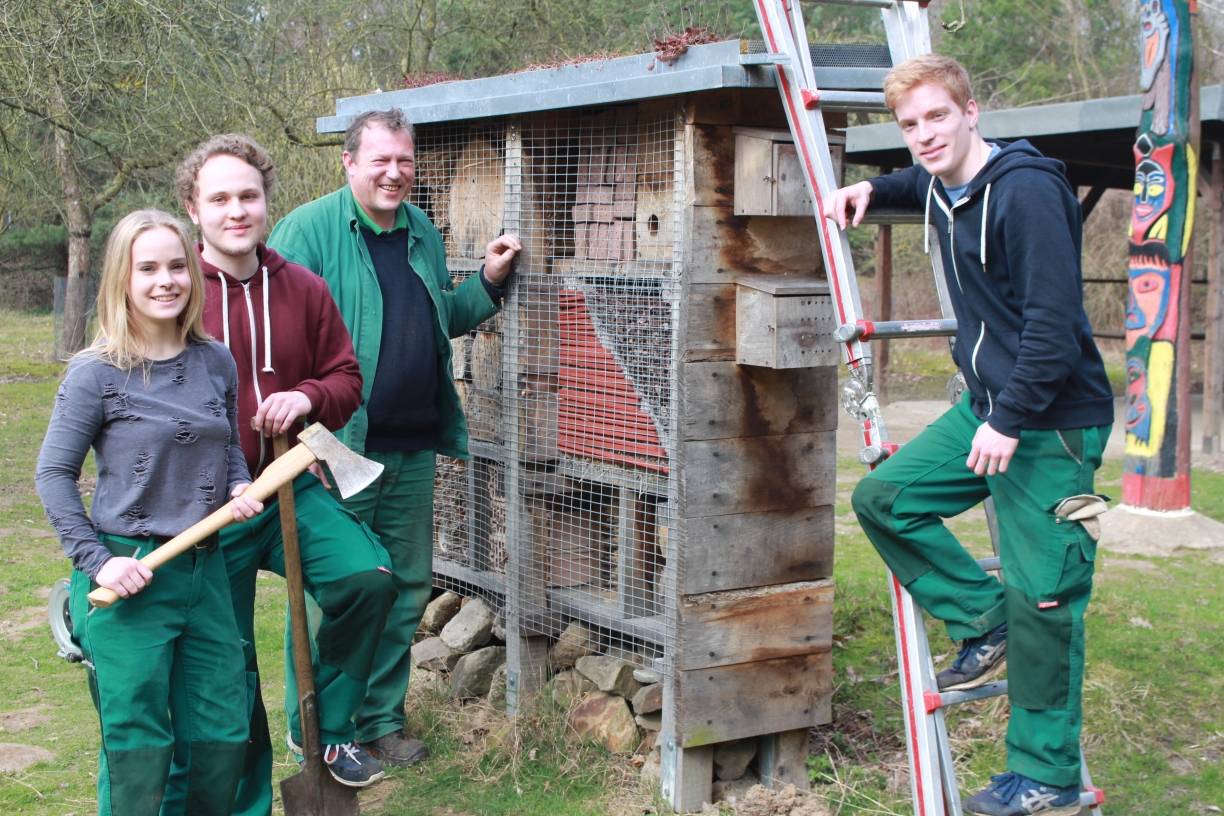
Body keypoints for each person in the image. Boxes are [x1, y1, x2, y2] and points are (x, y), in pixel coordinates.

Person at [826, 55, 1114, 816]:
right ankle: (983, 622)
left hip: (1050, 423)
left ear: (971, 111)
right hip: (990, 405)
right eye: (910, 124)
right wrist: (871, 186)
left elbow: (1054, 331)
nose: (924, 135)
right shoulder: (946, 184)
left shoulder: (1023, 193)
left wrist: (1009, 421)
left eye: (937, 118)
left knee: (1046, 603)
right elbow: (920, 180)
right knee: (886, 498)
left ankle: (1046, 777)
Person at [268, 108, 521, 765]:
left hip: (409, 448)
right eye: (379, 159)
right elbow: (276, 342)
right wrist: (306, 440)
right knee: (344, 590)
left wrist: (489, 280)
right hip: (337, 446)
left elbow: (441, 319)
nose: (393, 172)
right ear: (348, 162)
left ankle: (380, 718)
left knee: (404, 587)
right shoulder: (309, 231)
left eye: (404, 160)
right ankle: (322, 731)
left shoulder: (421, 233)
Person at [161, 134, 398, 812]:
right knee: (230, 666)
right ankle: (244, 801)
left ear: (267, 203)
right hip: (208, 512)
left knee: (367, 579)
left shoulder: (302, 287)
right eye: (220, 198)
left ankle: (324, 728)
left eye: (249, 196)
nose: (237, 210)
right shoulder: (172, 292)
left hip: (289, 485)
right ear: (193, 208)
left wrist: (309, 397)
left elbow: (346, 378)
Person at [35, 209, 263, 815]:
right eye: (148, 268)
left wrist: (239, 487)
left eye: (176, 266)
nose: (166, 280)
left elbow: (228, 449)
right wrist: (98, 563)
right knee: (140, 749)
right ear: (123, 280)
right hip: (129, 575)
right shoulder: (96, 373)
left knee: (221, 737)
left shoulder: (216, 361)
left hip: (205, 574)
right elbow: (53, 474)